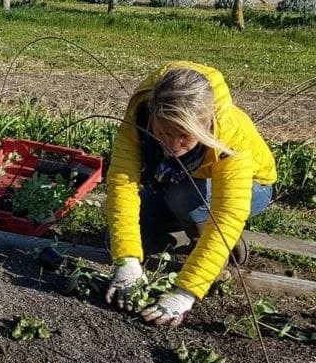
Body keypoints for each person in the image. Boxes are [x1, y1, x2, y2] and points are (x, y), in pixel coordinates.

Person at [104, 62, 277, 327]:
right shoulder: (139, 115)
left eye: (185, 137)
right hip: (177, 180)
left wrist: (185, 292)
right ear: (153, 114)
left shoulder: (230, 133)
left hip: (253, 187)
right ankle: (185, 228)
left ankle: (215, 247)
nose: (173, 147)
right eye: (163, 133)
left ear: (204, 126)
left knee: (182, 195)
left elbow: (228, 214)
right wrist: (126, 260)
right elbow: (122, 184)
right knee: (122, 238)